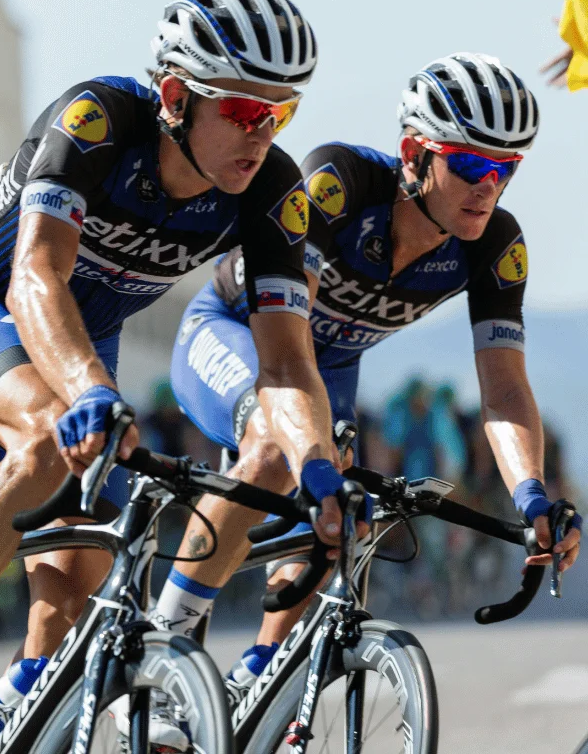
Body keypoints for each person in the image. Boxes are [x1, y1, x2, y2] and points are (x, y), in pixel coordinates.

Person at [0, 0, 356, 754]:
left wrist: (316, 467)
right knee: (48, 438)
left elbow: (286, 364)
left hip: (81, 338)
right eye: (247, 112)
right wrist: (88, 389)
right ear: (178, 95)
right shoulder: (98, 121)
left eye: (282, 112)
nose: (265, 134)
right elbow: (35, 277)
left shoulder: (274, 189)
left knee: (78, 582)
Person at [163, 53, 582, 717]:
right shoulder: (341, 184)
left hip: (327, 372)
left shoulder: (494, 244)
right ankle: (167, 646)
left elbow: (503, 392)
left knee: (346, 520)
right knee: (280, 448)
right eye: (471, 165)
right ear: (415, 153)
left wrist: (532, 495)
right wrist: (317, 439)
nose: (489, 187)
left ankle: (252, 682)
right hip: (242, 335)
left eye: (506, 169)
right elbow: (284, 343)